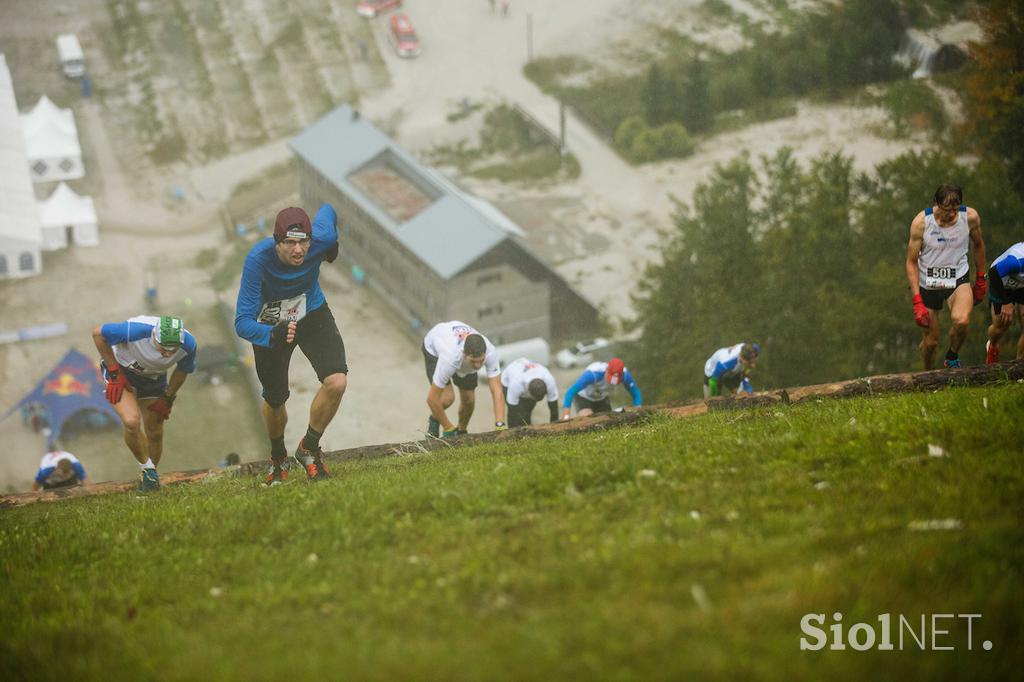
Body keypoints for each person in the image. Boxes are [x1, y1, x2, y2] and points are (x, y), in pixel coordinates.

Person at [235, 205, 345, 486]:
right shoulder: (257, 260)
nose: (298, 251)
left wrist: (333, 243)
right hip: (270, 324)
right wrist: (271, 335)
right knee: (275, 400)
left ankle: (308, 449)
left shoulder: (320, 239)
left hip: (311, 310)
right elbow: (241, 322)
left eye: (303, 242)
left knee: (337, 382)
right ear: (277, 241)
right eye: (290, 243)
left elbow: (328, 210)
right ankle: (278, 456)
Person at [92, 315, 197, 492]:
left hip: (154, 379)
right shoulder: (135, 330)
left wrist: (168, 396)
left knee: (155, 431)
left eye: (173, 350)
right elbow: (97, 334)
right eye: (163, 348)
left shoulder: (189, 344)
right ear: (154, 336)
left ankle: (150, 478)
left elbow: (183, 369)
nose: (167, 354)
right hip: (122, 372)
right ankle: (147, 468)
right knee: (132, 421)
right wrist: (114, 371)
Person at [906, 183, 987, 369]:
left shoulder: (970, 218)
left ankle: (952, 356)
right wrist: (917, 299)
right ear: (936, 204)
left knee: (962, 320)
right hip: (928, 283)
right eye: (946, 210)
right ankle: (928, 375)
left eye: (955, 209)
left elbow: (978, 245)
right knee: (931, 342)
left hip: (957, 278)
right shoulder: (921, 223)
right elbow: (911, 262)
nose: (951, 214)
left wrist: (981, 278)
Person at [422, 321, 506, 437]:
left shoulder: (490, 352)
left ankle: (462, 432)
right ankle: (434, 420)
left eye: (481, 361)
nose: (477, 366)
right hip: (434, 349)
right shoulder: (450, 358)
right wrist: (448, 428)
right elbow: (431, 399)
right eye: (474, 361)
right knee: (447, 399)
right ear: (464, 354)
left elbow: (497, 390)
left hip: (461, 356)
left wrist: (500, 424)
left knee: (469, 400)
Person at [561, 358, 641, 419]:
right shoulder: (593, 374)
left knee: (607, 420)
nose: (611, 383)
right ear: (607, 370)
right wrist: (566, 416)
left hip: (601, 398)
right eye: (610, 379)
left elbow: (635, 392)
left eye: (616, 381)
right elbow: (570, 392)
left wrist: (637, 406)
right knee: (588, 418)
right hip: (583, 397)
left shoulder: (626, 375)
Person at [985, 241, 1024, 364]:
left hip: (1021, 286)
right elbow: (994, 273)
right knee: (1001, 325)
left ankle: (1020, 366)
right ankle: (993, 345)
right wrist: (1006, 303)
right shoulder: (1017, 261)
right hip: (1001, 282)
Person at [501, 357, 559, 427]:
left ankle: (527, 427)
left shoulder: (549, 380)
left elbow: (554, 409)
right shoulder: (516, 384)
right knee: (518, 416)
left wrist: (554, 427)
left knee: (527, 412)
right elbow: (512, 409)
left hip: (526, 374)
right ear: (528, 392)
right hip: (507, 382)